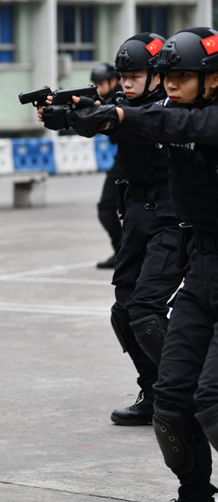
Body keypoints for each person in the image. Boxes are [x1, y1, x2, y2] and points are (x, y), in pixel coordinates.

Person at [64, 27, 218, 502]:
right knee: (171, 402)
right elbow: (155, 118)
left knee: (211, 399)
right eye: (167, 75)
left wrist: (116, 114)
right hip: (200, 265)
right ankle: (194, 493)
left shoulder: (202, 118)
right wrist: (75, 116)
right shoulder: (167, 110)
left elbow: (180, 126)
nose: (171, 84)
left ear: (211, 79)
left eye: (183, 76)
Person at [44, 33, 182, 426]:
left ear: (156, 75)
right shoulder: (123, 102)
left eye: (135, 74)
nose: (126, 82)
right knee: (124, 310)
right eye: (123, 75)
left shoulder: (171, 108)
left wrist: (96, 115)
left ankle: (186, 387)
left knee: (146, 310)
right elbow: (101, 114)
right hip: (137, 212)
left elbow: (132, 122)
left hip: (172, 215)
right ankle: (154, 391)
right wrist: (63, 115)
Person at [91, 62, 125, 269]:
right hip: (122, 159)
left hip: (139, 158)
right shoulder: (101, 100)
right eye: (96, 83)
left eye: (101, 83)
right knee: (106, 208)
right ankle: (121, 252)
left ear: (113, 81)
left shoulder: (123, 99)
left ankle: (130, 254)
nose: (98, 87)